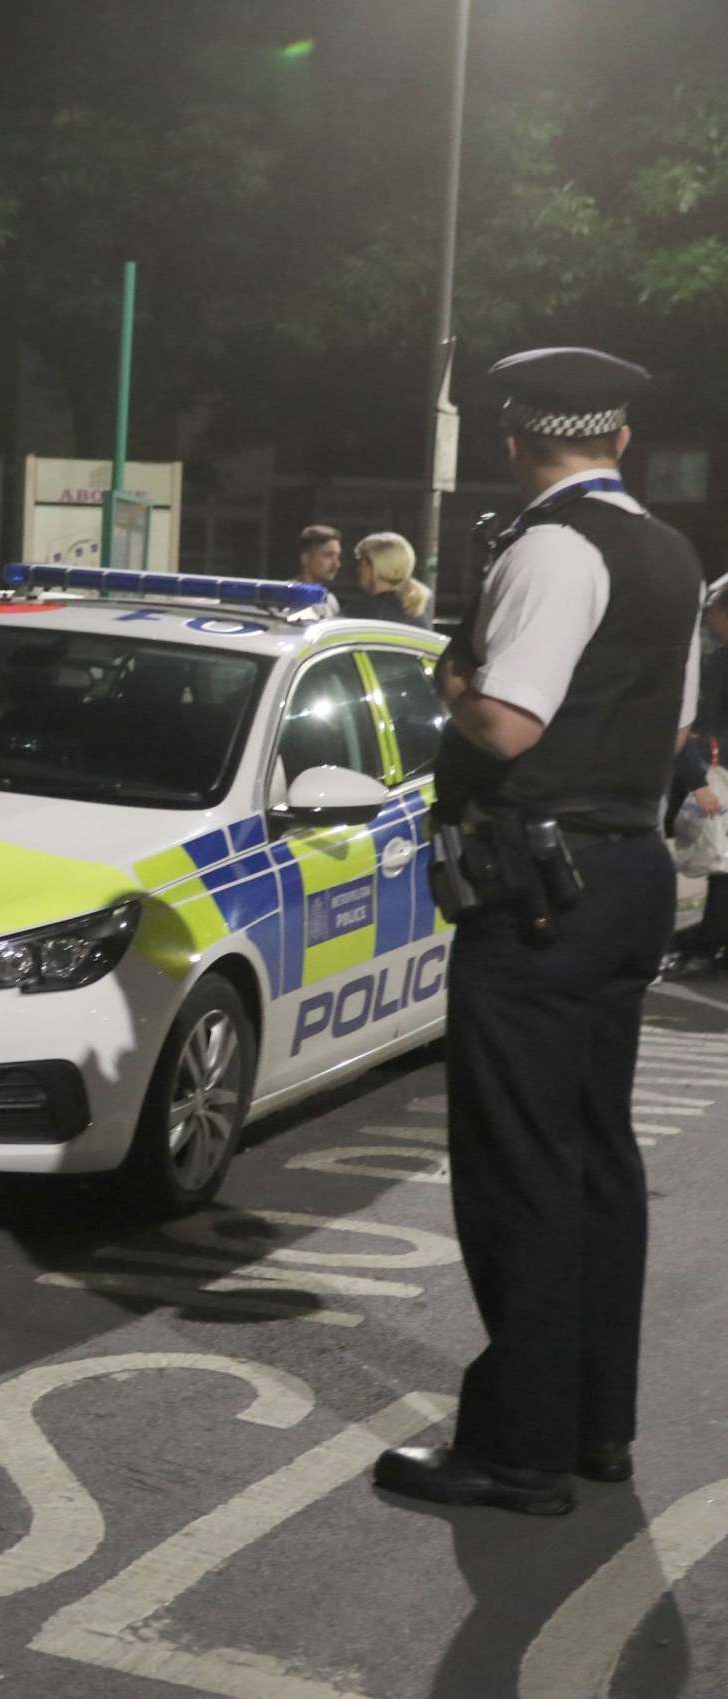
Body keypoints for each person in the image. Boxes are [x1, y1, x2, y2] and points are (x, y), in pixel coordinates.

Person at [374, 347, 703, 1516]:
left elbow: (507, 723)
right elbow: (671, 732)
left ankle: (517, 1448)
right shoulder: (669, 553)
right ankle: (595, 1428)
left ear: (515, 445)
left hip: (539, 888)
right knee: (595, 1162)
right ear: (617, 440)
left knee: (519, 1171)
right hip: (623, 875)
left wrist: (452, 682)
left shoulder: (552, 549)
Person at [662, 582, 728, 973]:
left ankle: (708, 944)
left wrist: (698, 781)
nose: (708, 624)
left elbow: (692, 729)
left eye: (712, 615)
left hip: (719, 776)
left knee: (722, 864)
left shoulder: (718, 665)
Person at [337, 531, 435, 627]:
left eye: (360, 563)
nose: (357, 569)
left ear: (373, 566)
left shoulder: (361, 612)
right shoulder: (416, 614)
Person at [292, 524, 343, 617]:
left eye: (338, 556)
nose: (337, 564)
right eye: (329, 555)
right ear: (305, 558)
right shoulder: (286, 598)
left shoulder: (330, 601)